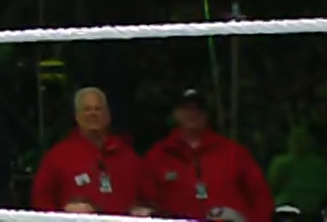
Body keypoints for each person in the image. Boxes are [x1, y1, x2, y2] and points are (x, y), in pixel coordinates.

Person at [143, 89, 273, 222]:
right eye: (187, 109)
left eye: (198, 109)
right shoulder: (159, 156)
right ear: (176, 113)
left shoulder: (234, 153)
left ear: (206, 114)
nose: (193, 114)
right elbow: (147, 202)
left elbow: (261, 197)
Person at [32, 87, 152, 215]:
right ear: (77, 116)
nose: (93, 113)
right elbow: (41, 203)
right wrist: (64, 213)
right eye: (87, 109)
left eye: (97, 109)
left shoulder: (129, 157)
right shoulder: (57, 157)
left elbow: (149, 199)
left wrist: (143, 210)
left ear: (108, 116)